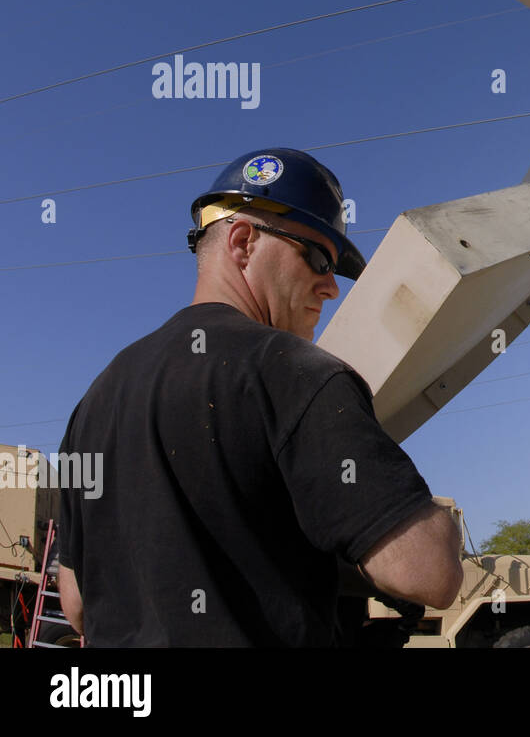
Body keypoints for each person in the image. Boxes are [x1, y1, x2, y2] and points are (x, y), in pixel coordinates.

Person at [57, 148, 462, 646]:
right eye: (316, 259)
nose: (330, 288)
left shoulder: (95, 401)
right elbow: (429, 572)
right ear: (244, 242)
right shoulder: (295, 373)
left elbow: (75, 603)